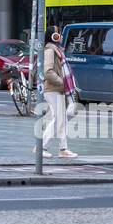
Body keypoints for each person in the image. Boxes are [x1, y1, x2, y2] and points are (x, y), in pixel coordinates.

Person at [41, 31, 77, 159]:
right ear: (53, 36)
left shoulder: (57, 50)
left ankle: (63, 149)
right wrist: (63, 82)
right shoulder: (50, 50)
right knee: (58, 119)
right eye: (58, 33)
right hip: (53, 89)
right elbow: (48, 72)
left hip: (58, 89)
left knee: (61, 120)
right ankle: (42, 147)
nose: (60, 36)